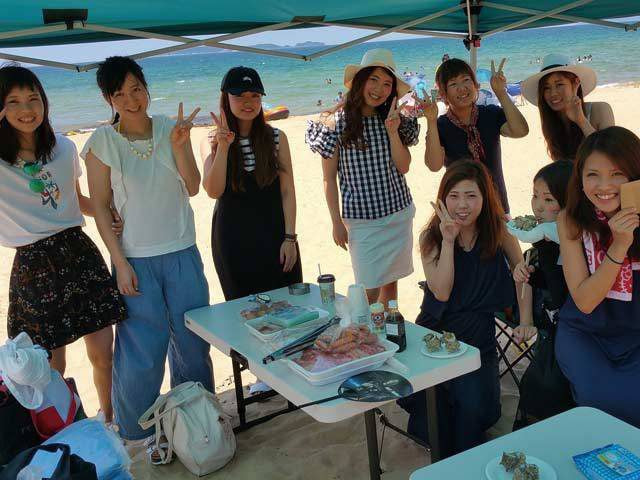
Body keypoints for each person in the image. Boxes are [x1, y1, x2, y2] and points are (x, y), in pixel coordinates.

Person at [82, 56, 214, 448]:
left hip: (182, 250)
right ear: (109, 99)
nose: (131, 100)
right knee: (142, 347)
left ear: (146, 87)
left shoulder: (171, 129)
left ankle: (198, 416)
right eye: (120, 95)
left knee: (192, 340)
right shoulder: (103, 142)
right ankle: (136, 429)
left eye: (136, 89)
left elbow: (193, 186)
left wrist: (181, 146)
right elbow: (100, 206)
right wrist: (119, 262)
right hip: (135, 258)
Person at [0, 65, 126, 422]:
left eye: (33, 99)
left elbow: (76, 198)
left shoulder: (64, 148)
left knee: (103, 354)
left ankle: (109, 419)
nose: (27, 109)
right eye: (13, 101)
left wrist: (107, 210)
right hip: (33, 266)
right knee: (51, 367)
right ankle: (66, 428)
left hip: (78, 252)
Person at [398, 160, 534, 457]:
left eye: (471, 195)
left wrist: (525, 319)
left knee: (475, 410)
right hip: (436, 337)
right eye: (454, 196)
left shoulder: (499, 230)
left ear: (485, 198)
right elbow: (441, 291)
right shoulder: (431, 236)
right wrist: (449, 240)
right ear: (442, 199)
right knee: (436, 423)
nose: (462, 205)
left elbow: (522, 276)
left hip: (478, 337)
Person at [306, 48, 419, 305]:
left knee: (391, 284)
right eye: (373, 80)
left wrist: (393, 132)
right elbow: (328, 179)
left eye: (387, 83)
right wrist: (336, 221)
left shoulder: (393, 119)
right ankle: (359, 328)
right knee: (368, 292)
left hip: (398, 213)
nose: (379, 89)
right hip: (362, 221)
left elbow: (404, 167)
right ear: (360, 81)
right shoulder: (337, 122)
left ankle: (389, 327)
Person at [555, 126, 640, 427]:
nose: (604, 186)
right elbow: (585, 301)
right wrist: (619, 245)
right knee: (601, 405)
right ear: (580, 177)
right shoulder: (570, 220)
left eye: (617, 174)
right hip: (586, 333)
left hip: (635, 333)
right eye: (593, 174)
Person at [201, 66, 302, 300]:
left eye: (255, 95)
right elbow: (213, 191)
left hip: (275, 234)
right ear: (226, 98)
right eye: (239, 95)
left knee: (289, 304)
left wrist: (290, 238)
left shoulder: (276, 137)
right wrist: (223, 147)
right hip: (232, 238)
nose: (248, 102)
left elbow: (287, 191)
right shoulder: (211, 140)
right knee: (244, 309)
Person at [511, 161, 575, 428]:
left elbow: (565, 294)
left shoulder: (578, 244)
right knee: (538, 390)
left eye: (548, 199)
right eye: (535, 196)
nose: (537, 206)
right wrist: (525, 321)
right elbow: (528, 284)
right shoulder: (539, 244)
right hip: (550, 335)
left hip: (574, 333)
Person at [420, 58, 529, 215]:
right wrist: (431, 121)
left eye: (466, 80)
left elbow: (521, 131)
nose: (462, 88)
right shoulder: (440, 126)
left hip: (497, 204)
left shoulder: (490, 114)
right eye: (453, 84)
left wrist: (501, 93)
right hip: (461, 209)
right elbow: (434, 165)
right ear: (443, 94)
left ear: (476, 85)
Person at [521, 53, 614, 162]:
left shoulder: (600, 110)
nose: (553, 93)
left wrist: (581, 121)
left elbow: (611, 156)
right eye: (546, 88)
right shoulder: (551, 122)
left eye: (559, 85)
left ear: (575, 84)